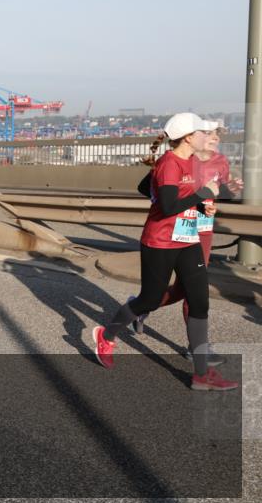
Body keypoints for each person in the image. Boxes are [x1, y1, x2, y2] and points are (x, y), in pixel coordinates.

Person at [91, 113, 237, 391]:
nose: (209, 137)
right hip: (159, 242)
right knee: (149, 299)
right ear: (189, 137)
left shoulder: (192, 161)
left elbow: (151, 189)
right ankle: (106, 334)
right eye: (203, 133)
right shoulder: (169, 163)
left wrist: (200, 206)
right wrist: (201, 193)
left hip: (187, 238)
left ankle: (202, 375)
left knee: (199, 301)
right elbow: (169, 206)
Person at [129, 126, 243, 355]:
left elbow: (216, 193)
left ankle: (144, 308)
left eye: (216, 135)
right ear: (193, 137)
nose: (215, 138)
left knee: (190, 289)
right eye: (209, 134)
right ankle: (195, 346)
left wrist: (227, 192)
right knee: (192, 290)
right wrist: (169, 205)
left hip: (202, 229)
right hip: (175, 229)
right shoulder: (176, 161)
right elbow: (146, 188)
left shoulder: (220, 161)